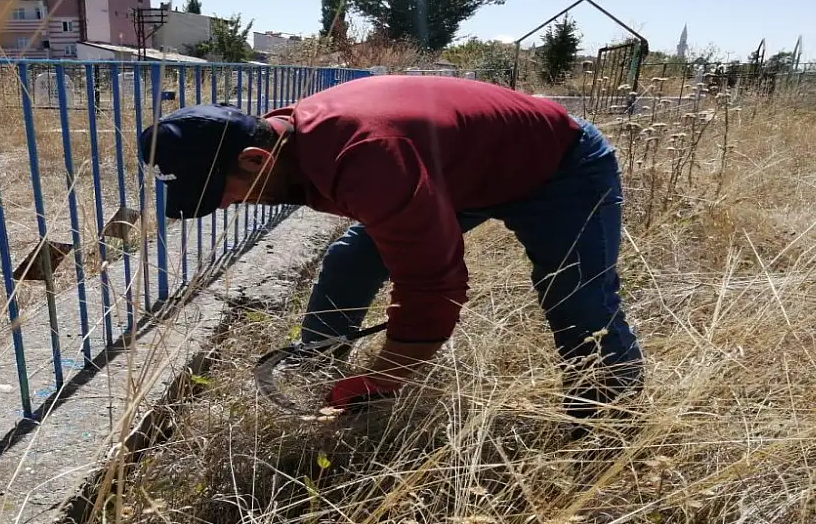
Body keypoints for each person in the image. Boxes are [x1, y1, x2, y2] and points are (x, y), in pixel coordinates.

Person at [139, 74, 644, 436]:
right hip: (463, 169)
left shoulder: (364, 156)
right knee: (350, 261)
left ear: (254, 159)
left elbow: (432, 287)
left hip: (558, 164)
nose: (228, 205)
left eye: (223, 193)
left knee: (577, 297)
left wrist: (382, 381)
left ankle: (610, 427)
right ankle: (316, 370)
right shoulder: (286, 143)